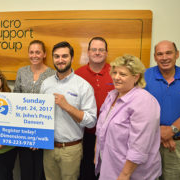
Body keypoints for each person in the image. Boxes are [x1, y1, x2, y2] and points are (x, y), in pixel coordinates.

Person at [95, 54, 161, 179]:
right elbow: (101, 129)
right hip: (110, 168)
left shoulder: (144, 101)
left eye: (123, 74)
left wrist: (125, 175)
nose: (116, 77)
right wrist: (96, 154)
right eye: (114, 73)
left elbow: (139, 147)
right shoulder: (112, 96)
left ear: (136, 77)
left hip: (131, 174)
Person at [40, 41, 97, 180]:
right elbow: (40, 115)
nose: (60, 60)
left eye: (64, 56)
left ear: (71, 58)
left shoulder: (83, 86)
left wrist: (67, 106)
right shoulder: (46, 84)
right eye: (56, 56)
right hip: (48, 148)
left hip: (71, 150)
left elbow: (91, 122)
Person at [145, 40, 180, 180]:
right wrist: (159, 132)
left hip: (177, 144)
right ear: (155, 57)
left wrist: (171, 130)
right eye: (159, 54)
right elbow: (138, 109)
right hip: (149, 141)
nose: (164, 57)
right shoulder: (144, 76)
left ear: (177, 54)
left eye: (168, 53)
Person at [14, 40, 55, 180]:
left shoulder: (52, 74)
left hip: (42, 132)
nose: (34, 55)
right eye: (31, 52)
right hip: (23, 131)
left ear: (44, 54)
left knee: (40, 170)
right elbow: (16, 98)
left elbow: (51, 106)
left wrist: (37, 136)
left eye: (38, 52)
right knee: (25, 169)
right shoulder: (21, 71)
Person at [75, 37, 114, 180]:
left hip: (111, 135)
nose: (97, 53)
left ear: (106, 52)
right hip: (85, 134)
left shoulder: (115, 72)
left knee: (107, 172)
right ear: (88, 52)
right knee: (86, 171)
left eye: (101, 50)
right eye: (94, 50)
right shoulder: (77, 74)